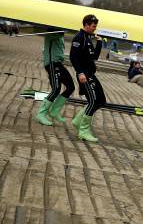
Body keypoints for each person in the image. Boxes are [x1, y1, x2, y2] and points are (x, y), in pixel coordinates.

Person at [69, 14, 105, 142]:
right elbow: (73, 57)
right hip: (84, 75)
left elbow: (94, 57)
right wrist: (80, 73)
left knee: (101, 100)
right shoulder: (79, 38)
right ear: (86, 25)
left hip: (91, 74)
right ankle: (83, 130)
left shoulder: (88, 39)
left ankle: (78, 120)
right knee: (94, 101)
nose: (95, 28)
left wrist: (99, 42)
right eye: (93, 26)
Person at [35, 29, 75, 126]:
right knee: (56, 89)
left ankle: (54, 111)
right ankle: (41, 114)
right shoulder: (50, 32)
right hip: (52, 64)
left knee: (70, 87)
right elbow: (58, 35)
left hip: (59, 64)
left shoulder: (60, 33)